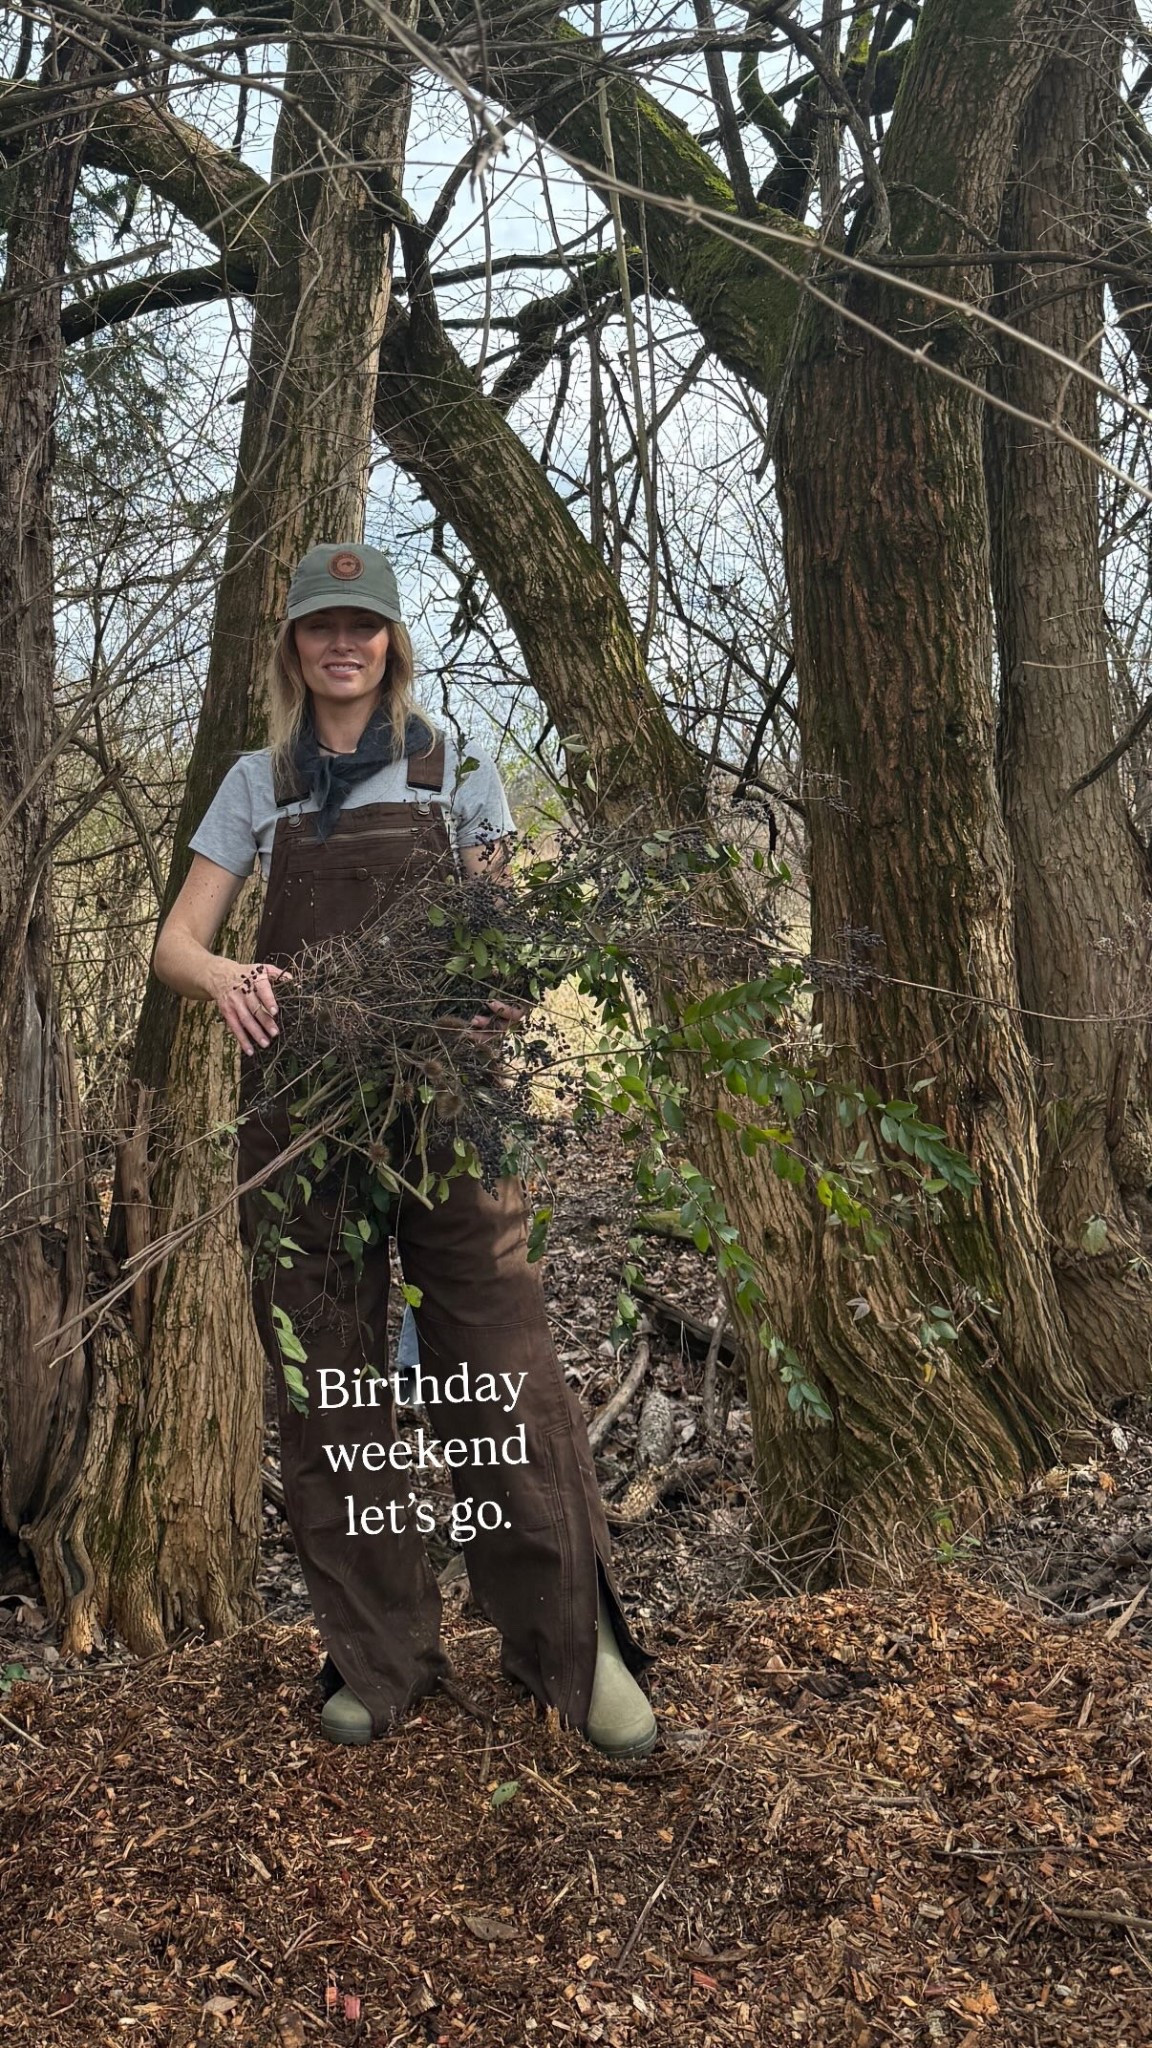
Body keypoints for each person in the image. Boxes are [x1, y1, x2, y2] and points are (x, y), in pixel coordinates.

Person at [153, 541, 657, 1756]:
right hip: (305, 1112)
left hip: (445, 1109)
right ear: (293, 643)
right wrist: (227, 975)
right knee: (333, 1381)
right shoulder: (257, 781)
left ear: (392, 642)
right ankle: (379, 1659)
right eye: (322, 625)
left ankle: (571, 1654)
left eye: (363, 626)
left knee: (503, 1365)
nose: (343, 644)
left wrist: (499, 998)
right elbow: (177, 941)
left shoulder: (453, 765)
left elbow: (497, 930)